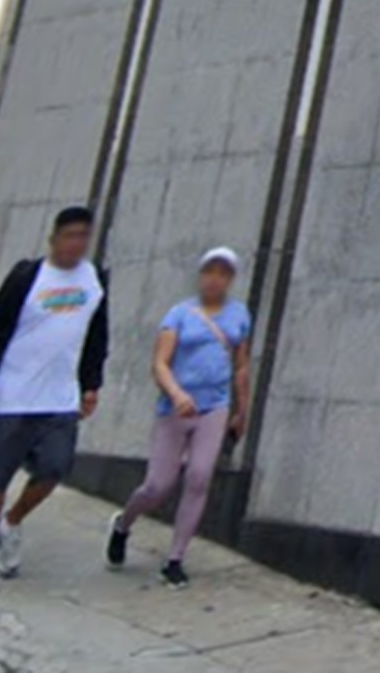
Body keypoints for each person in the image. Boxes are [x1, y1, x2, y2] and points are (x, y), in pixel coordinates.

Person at [0, 206, 108, 598]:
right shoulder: (27, 277)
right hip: (12, 397)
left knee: (54, 468)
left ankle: (12, 523)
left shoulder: (95, 280)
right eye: (69, 235)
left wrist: (90, 385)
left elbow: (96, 336)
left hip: (59, 398)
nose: (76, 243)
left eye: (83, 236)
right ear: (53, 239)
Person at [105, 246, 253, 585]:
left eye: (223, 273)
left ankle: (175, 558)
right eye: (210, 271)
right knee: (158, 485)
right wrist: (176, 393)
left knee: (199, 477)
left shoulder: (239, 315)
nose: (215, 279)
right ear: (201, 275)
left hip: (215, 405)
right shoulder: (180, 314)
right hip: (176, 408)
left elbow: (242, 365)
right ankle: (123, 524)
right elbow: (160, 362)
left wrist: (242, 409)